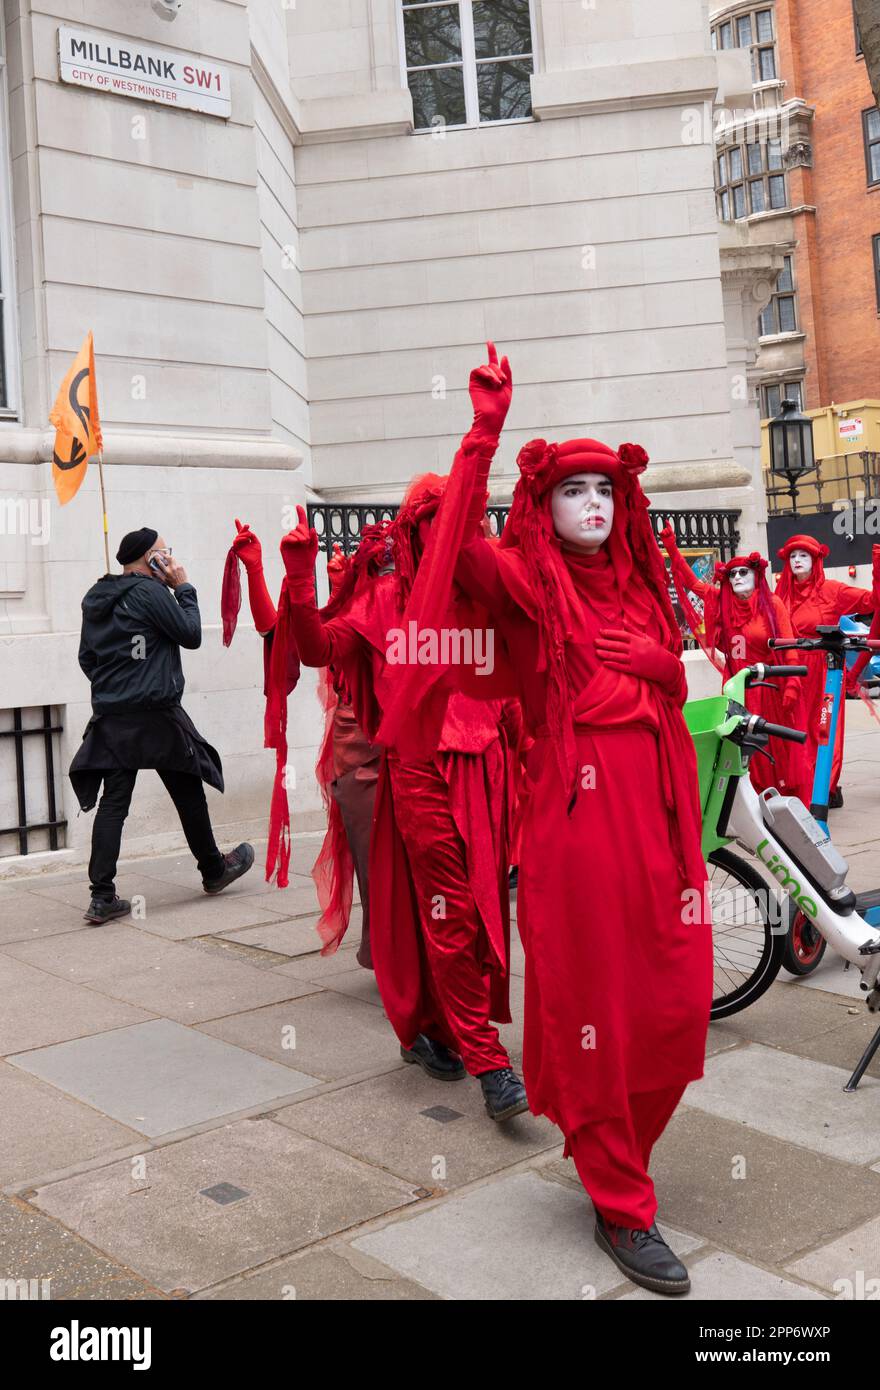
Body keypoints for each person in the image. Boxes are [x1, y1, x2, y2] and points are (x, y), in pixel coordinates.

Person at [386, 344, 713, 1294]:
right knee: (596, 1010)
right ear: (544, 505)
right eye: (572, 491)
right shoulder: (529, 583)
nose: (594, 506)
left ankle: (614, 1149)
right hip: (577, 822)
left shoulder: (645, 590)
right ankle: (622, 1200)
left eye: (605, 491)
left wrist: (663, 669)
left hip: (658, 819)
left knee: (675, 1002)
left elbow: (675, 682)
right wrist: (483, 433)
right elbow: (447, 555)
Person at [275, 481, 529, 1122]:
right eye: (440, 526)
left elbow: (524, 685)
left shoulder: (484, 594)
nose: (453, 540)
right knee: (452, 917)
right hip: (420, 772)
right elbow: (316, 650)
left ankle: (434, 1027)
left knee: (484, 918)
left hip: (491, 772)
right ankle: (490, 1062)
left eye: (463, 525)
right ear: (415, 531)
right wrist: (299, 577)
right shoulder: (385, 598)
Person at [70, 527, 254, 924]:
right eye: (163, 552)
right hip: (156, 712)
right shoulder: (151, 593)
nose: (168, 557)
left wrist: (118, 683)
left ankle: (102, 897)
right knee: (187, 793)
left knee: (113, 804)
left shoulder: (96, 598)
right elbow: (190, 635)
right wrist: (183, 587)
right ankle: (213, 870)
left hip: (114, 716)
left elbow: (88, 659)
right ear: (149, 559)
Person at [223, 517, 380, 967]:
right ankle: (391, 956)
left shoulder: (402, 606)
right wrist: (260, 570)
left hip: (409, 757)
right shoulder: (336, 619)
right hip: (359, 759)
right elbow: (278, 630)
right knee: (374, 864)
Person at [659, 532, 808, 801]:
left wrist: (793, 685)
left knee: (774, 745)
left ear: (756, 575)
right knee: (744, 747)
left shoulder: (772, 604)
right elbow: (693, 583)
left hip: (769, 688)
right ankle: (755, 797)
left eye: (743, 572)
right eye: (732, 574)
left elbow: (789, 646)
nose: (737, 577)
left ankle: (782, 798)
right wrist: (671, 547)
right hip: (738, 689)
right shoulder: (723, 601)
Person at [775, 535, 880, 808]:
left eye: (803, 556)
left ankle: (823, 787)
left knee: (823, 727)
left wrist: (877, 566)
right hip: (791, 670)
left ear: (816, 560)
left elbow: (871, 601)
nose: (797, 561)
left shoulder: (832, 591)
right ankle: (800, 782)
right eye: (792, 556)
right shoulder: (780, 594)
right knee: (794, 729)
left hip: (825, 670)